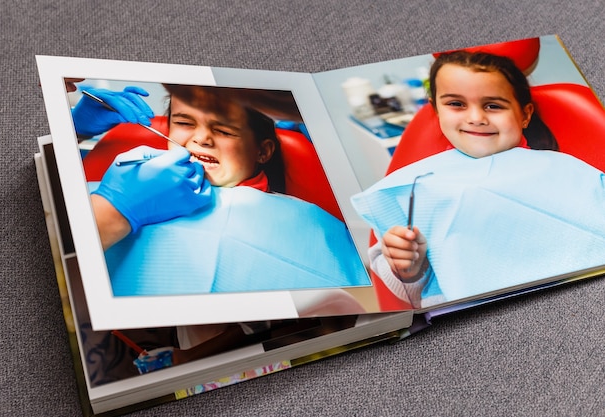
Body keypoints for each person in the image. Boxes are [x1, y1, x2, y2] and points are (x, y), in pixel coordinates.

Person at [351, 50, 605, 308]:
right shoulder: (416, 184)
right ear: (436, 110)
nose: (476, 118)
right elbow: (412, 294)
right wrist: (409, 269)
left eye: (493, 106)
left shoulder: (567, 171)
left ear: (525, 114)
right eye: (456, 104)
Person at [77, 83, 370, 295]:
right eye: (182, 122)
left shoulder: (302, 221)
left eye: (224, 130)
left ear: (263, 151)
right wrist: (74, 131)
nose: (201, 139)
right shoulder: (119, 181)